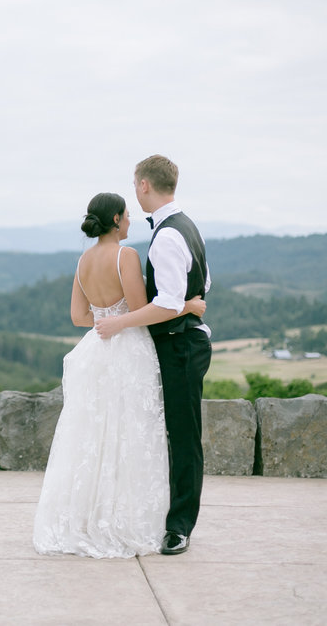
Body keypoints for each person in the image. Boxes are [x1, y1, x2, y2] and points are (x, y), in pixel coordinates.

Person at [32, 191, 205, 559]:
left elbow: (79, 317)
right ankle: (126, 521)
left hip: (96, 351)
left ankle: (86, 519)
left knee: (95, 435)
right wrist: (187, 305)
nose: (130, 221)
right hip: (129, 351)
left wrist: (105, 319)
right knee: (131, 436)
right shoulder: (125, 256)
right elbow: (143, 310)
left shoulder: (83, 261)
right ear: (115, 220)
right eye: (126, 216)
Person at [93, 155, 212, 556]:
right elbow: (203, 283)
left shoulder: (168, 236)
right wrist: (190, 304)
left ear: (144, 185)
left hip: (180, 345)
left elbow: (167, 303)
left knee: (183, 436)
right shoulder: (186, 227)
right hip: (178, 340)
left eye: (134, 182)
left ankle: (179, 527)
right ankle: (164, 514)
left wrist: (121, 323)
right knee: (169, 433)